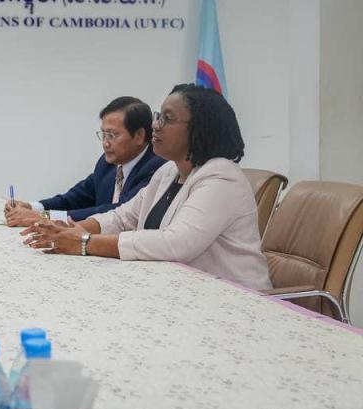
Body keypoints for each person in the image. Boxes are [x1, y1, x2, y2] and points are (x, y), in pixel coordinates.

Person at [22, 84, 272, 291]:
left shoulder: (221, 178)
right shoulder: (169, 171)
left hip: (237, 300)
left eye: (167, 118)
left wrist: (85, 242)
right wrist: (69, 230)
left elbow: (176, 243)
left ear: (199, 128)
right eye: (158, 116)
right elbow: (123, 217)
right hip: (181, 291)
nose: (156, 125)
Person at [4, 96, 165, 227]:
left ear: (139, 136)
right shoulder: (108, 162)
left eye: (112, 135)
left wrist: (44, 217)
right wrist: (33, 207)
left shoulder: (156, 168)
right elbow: (76, 197)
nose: (105, 143)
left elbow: (116, 212)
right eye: (103, 134)